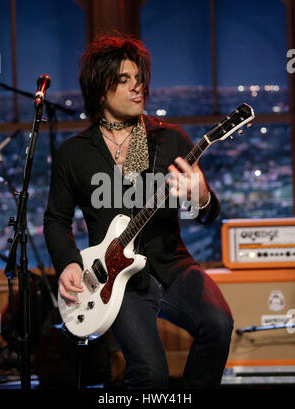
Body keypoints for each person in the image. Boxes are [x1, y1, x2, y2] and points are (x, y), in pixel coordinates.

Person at [43, 34, 233, 389]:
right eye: (124, 81)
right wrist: (69, 262)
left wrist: (202, 196)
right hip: (115, 280)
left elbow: (209, 215)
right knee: (151, 375)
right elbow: (56, 219)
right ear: (101, 91)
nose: (138, 88)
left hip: (171, 262)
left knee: (218, 324)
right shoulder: (75, 153)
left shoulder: (168, 139)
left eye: (140, 79)